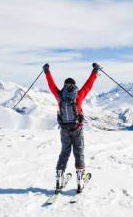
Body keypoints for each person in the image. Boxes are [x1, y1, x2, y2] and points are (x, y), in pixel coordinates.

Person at [43, 62, 100, 193]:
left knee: (64, 153)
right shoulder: (79, 95)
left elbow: (51, 85)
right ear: (74, 85)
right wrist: (95, 71)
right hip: (77, 129)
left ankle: (59, 178)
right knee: (78, 152)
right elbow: (89, 84)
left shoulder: (60, 96)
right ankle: (80, 180)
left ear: (64, 85)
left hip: (64, 130)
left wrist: (47, 72)